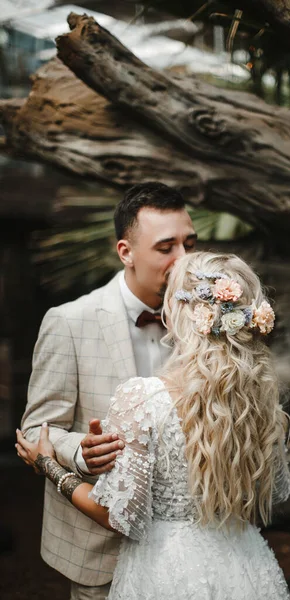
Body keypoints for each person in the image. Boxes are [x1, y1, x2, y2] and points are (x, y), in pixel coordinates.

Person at [17, 251, 290, 600]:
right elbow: (277, 493)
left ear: (177, 312)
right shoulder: (262, 399)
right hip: (245, 568)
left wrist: (50, 466)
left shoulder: (144, 398)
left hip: (167, 571)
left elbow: (119, 517)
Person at [19, 182, 197, 600]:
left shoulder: (209, 321)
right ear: (126, 252)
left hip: (193, 548)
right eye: (166, 246)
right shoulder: (69, 321)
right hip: (101, 552)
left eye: (190, 242)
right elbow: (36, 430)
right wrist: (82, 451)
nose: (185, 259)